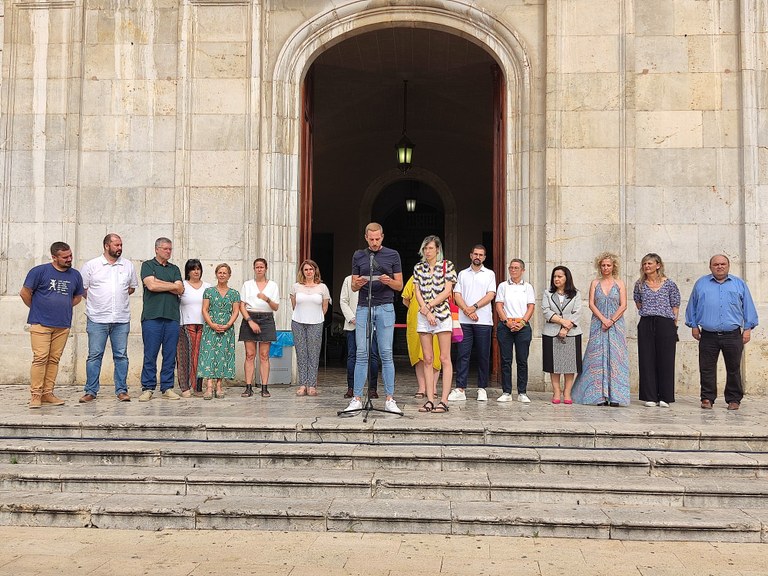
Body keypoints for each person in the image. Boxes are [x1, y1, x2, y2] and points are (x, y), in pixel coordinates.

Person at [343, 222, 403, 414]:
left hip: (385, 306)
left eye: (378, 239)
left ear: (382, 237)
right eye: (371, 239)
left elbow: (399, 285)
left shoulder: (393, 255)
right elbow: (353, 286)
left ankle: (390, 399)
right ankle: (357, 398)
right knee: (361, 353)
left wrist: (389, 281)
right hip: (364, 306)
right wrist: (359, 283)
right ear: (366, 238)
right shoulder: (359, 255)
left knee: (386, 353)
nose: (375, 242)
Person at [685, 254, 758, 410]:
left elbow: (748, 307)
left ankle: (734, 399)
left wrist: (747, 329)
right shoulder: (701, 284)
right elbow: (692, 306)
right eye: (716, 264)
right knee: (706, 368)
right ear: (710, 267)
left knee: (733, 368)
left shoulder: (739, 284)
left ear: (728, 265)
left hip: (732, 334)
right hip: (708, 335)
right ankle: (707, 398)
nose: (719, 266)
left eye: (723, 264)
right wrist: (693, 325)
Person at [20, 242, 84, 408]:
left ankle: (48, 393)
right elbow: (25, 293)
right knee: (40, 358)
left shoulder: (75, 275)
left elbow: (77, 296)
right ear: (54, 257)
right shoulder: (39, 271)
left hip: (62, 324)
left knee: (54, 359)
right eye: (65, 257)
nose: (69, 259)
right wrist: (37, 308)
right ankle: (36, 395)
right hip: (40, 323)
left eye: (70, 255)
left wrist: (63, 307)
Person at [79, 233, 139, 403]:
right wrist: (98, 301)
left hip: (121, 318)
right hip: (97, 318)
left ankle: (122, 390)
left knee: (121, 356)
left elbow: (132, 288)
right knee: (94, 355)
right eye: (116, 245)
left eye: (121, 245)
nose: (120, 248)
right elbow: (83, 289)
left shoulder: (127, 265)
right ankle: (90, 391)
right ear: (106, 246)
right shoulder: (91, 265)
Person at [571, 252, 630, 406]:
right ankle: (598, 396)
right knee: (596, 357)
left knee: (616, 357)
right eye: (603, 265)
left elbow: (623, 305)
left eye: (608, 265)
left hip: (616, 324)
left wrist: (611, 320)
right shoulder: (595, 283)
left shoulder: (620, 283)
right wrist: (603, 319)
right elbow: (591, 303)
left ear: (613, 266)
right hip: (598, 323)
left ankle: (616, 396)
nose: (605, 268)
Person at [413, 235, 456, 414]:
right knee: (428, 359)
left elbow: (447, 291)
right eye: (425, 248)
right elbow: (417, 291)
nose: (427, 251)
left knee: (444, 358)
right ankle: (430, 399)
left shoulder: (447, 266)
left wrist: (430, 306)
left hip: (442, 315)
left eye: (430, 248)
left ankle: (444, 400)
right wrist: (426, 311)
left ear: (438, 249)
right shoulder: (418, 268)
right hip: (424, 316)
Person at [139, 237, 184, 402]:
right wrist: (171, 285)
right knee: (150, 354)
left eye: (170, 249)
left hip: (172, 317)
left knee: (170, 355)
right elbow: (151, 286)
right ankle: (148, 388)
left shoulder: (174, 268)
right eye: (165, 249)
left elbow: (180, 289)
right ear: (157, 249)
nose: (168, 251)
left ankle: (167, 387)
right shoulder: (148, 265)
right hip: (152, 317)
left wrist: (160, 283)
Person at [449, 245, 496, 402]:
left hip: (484, 321)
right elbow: (457, 295)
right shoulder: (462, 274)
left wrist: (473, 307)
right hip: (464, 321)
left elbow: (490, 295)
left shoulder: (489, 274)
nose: (478, 257)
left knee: (483, 355)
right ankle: (460, 388)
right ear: (471, 255)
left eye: (481, 255)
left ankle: (482, 388)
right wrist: (467, 311)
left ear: (484, 257)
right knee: (463, 354)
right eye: (475, 254)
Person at [634, 253, 681, 408]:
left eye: (650, 263)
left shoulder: (669, 284)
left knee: (666, 359)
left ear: (658, 265)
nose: (647, 266)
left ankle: (665, 396)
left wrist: (674, 323)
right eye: (644, 264)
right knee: (646, 358)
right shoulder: (640, 285)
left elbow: (675, 304)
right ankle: (650, 396)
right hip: (646, 321)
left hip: (665, 322)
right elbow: (638, 303)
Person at [495, 259, 535, 403]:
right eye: (511, 267)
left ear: (522, 270)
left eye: (516, 268)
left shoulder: (528, 287)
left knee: (522, 360)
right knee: (506, 360)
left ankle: (522, 392)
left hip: (522, 326)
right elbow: (499, 305)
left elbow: (531, 306)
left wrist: (522, 322)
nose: (513, 270)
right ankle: (506, 392)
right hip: (506, 324)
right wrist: (507, 322)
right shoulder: (503, 286)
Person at [198, 263, 241, 399]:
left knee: (223, 355)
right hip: (210, 327)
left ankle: (219, 386)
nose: (222, 275)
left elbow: (236, 311)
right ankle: (209, 386)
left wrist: (228, 324)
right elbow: (204, 309)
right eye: (220, 272)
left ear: (229, 275)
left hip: (226, 328)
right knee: (209, 355)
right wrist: (211, 324)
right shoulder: (209, 291)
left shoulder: (234, 293)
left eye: (224, 273)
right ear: (216, 274)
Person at [541, 266, 582, 404]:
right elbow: (546, 311)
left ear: (566, 278)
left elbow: (577, 312)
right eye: (554, 276)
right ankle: (556, 391)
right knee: (554, 365)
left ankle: (567, 392)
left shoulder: (576, 294)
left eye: (560, 276)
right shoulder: (547, 293)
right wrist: (562, 321)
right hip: (551, 331)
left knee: (570, 365)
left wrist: (566, 328)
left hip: (572, 333)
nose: (556, 279)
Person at [239, 258, 280, 397]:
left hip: (266, 318)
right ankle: (248, 387)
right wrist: (250, 321)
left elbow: (276, 307)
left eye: (262, 267)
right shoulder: (247, 284)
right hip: (250, 316)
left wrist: (266, 299)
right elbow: (242, 305)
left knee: (264, 355)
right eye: (257, 267)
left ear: (266, 269)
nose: (259, 269)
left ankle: (264, 387)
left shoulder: (273, 285)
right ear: (254, 269)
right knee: (250, 354)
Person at [290, 259, 330, 396]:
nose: (308, 272)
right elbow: (294, 305)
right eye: (306, 269)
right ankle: (302, 384)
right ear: (302, 272)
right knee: (301, 354)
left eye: (311, 269)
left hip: (316, 322)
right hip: (298, 322)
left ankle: (312, 385)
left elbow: (325, 307)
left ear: (315, 271)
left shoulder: (322, 287)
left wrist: (316, 317)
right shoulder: (295, 287)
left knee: (313, 354)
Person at [339, 274, 379, 399]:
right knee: (353, 356)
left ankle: (372, 388)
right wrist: (352, 318)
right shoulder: (348, 279)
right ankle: (351, 388)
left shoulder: (376, 278)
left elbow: (380, 301)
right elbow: (343, 301)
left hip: (372, 324)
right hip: (353, 324)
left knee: (373, 355)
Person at [401, 276, 440, 398]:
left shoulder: (441, 277)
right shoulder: (415, 277)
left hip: (437, 318)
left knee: (436, 353)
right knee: (418, 355)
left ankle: (433, 387)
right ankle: (422, 387)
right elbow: (405, 299)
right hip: (417, 320)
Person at [177, 259, 210, 398]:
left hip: (203, 325)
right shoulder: (182, 285)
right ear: (188, 271)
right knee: (185, 356)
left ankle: (197, 387)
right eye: (193, 269)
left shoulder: (207, 287)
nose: (196, 272)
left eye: (198, 269)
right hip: (186, 324)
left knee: (199, 356)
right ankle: (185, 387)